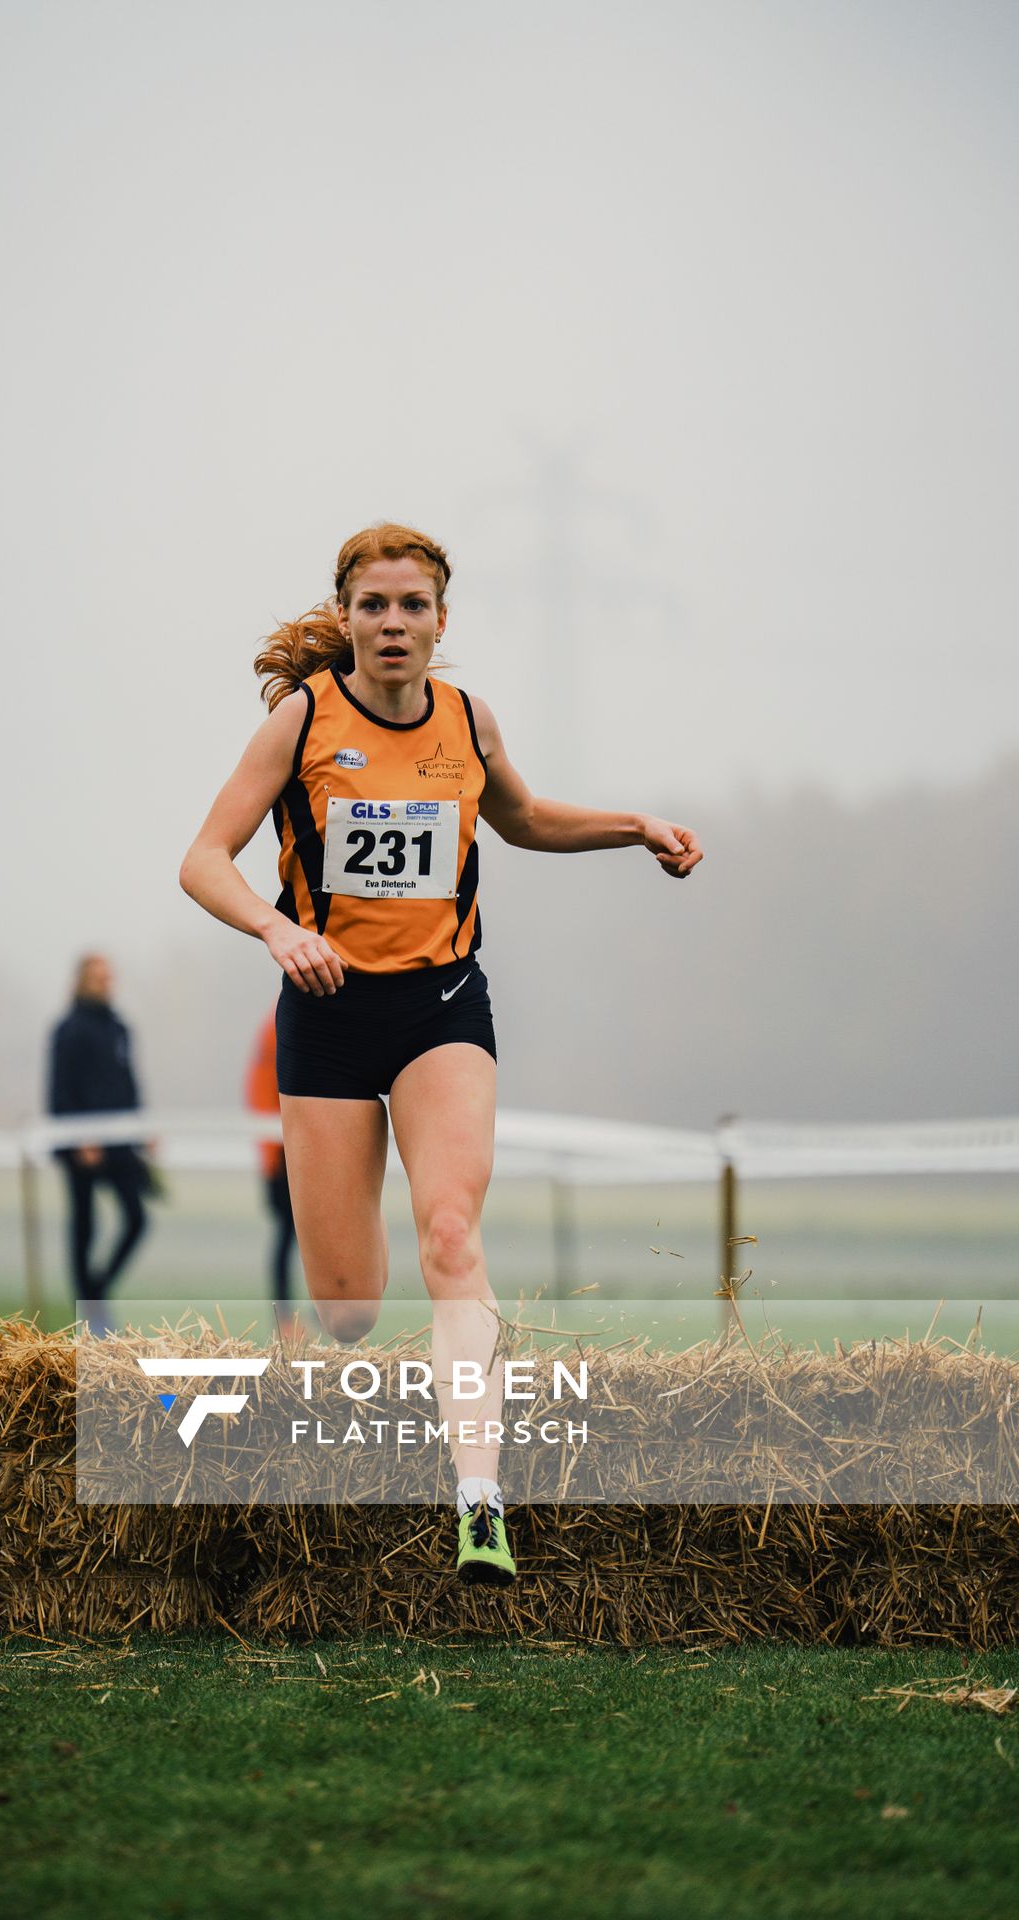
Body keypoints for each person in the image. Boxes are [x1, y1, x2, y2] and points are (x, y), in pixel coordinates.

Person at [178, 522, 702, 1584]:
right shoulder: (300, 724)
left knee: (453, 1235)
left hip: (441, 1009)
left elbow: (520, 820)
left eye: (411, 606)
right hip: (325, 1014)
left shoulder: (467, 720)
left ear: (439, 623)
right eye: (372, 606)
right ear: (344, 620)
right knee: (347, 1305)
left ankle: (478, 1495)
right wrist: (279, 930)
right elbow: (201, 860)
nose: (391, 624)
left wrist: (633, 825)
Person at [48, 953, 151, 1325]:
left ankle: (96, 1293)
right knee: (84, 1225)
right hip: (81, 1144)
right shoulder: (69, 1029)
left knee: (137, 1219)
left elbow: (129, 1083)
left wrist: (142, 1130)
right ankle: (87, 1310)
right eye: (97, 976)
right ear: (81, 980)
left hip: (120, 1141)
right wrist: (78, 1138)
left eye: (109, 976)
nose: (105, 982)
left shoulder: (119, 1028)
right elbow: (60, 1089)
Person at [245, 1004, 299, 1334]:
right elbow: (262, 1091)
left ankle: (290, 1316)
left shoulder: (280, 1020)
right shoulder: (280, 1022)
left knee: (295, 1237)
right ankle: (285, 1318)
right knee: (288, 1235)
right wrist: (271, 1151)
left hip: (286, 1149)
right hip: (281, 1154)